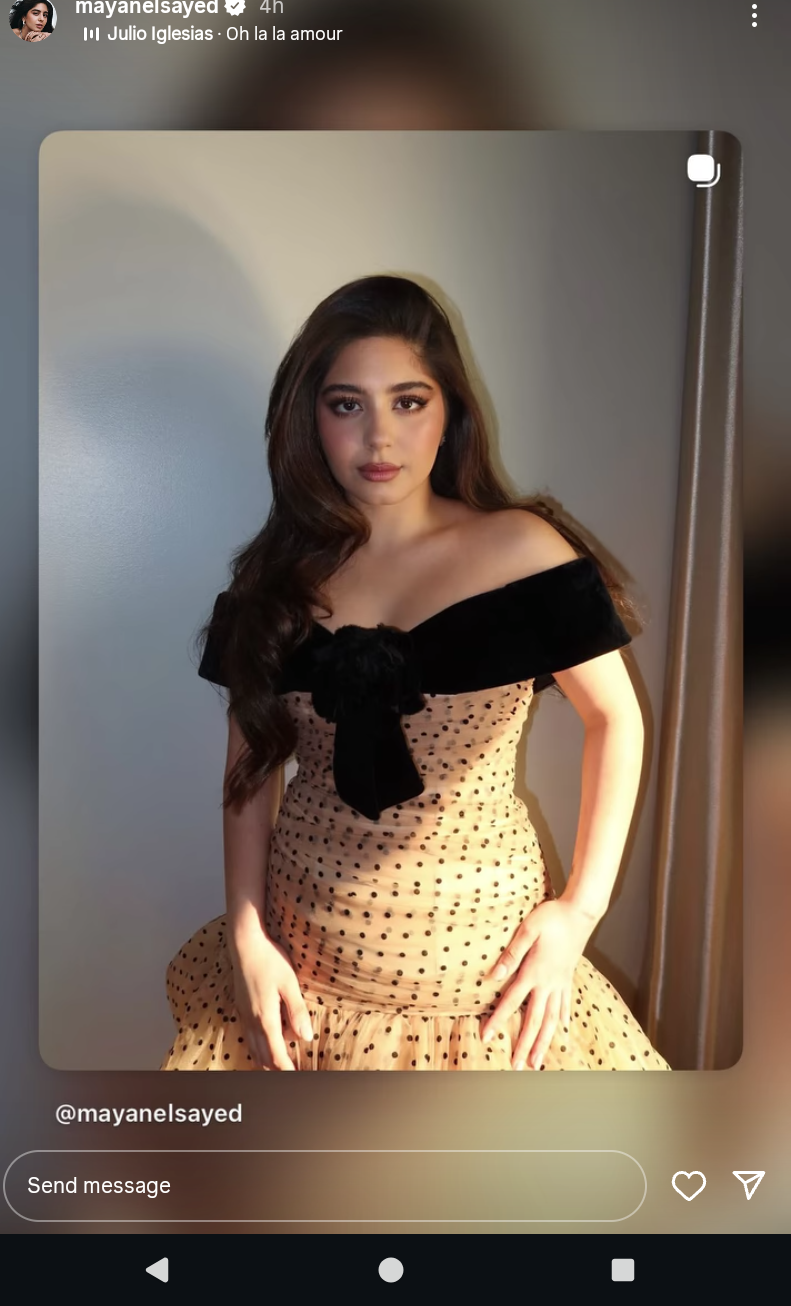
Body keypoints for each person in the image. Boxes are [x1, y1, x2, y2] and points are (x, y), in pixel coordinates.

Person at [161, 275, 670, 1073]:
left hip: (484, 986)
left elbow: (616, 718)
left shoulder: (522, 551)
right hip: (304, 978)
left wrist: (579, 910)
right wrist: (247, 936)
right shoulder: (276, 580)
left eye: (407, 401)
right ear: (309, 419)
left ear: (450, 412)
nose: (379, 439)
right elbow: (250, 768)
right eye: (346, 405)